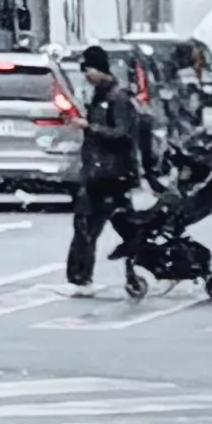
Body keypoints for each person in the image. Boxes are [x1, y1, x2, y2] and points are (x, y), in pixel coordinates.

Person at [64, 50, 152, 293]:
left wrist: (90, 128)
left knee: (117, 228)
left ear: (100, 69)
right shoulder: (100, 96)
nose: (87, 77)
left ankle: (134, 273)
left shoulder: (118, 98)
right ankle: (80, 278)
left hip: (114, 176)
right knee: (87, 226)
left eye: (89, 71)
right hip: (98, 175)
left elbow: (122, 133)